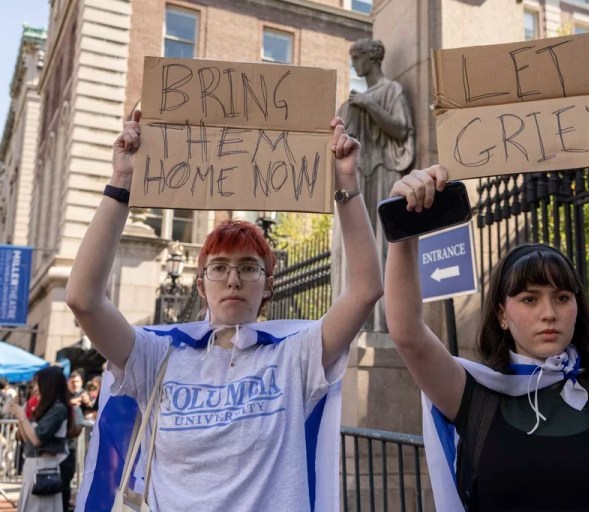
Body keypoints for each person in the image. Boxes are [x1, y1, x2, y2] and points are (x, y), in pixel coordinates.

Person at [383, 130, 589, 510]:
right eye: (529, 299)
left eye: (562, 297)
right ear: (501, 315)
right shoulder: (474, 398)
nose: (549, 312)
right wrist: (403, 227)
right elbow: (407, 331)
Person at [65, 110, 382, 511]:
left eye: (249, 268)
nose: (233, 280)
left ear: (268, 285)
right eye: (219, 268)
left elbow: (367, 289)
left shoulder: (294, 355)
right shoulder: (155, 355)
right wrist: (122, 182)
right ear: (201, 284)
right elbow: (83, 299)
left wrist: (346, 186)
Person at [336, 38, 415, 332]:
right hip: (361, 174)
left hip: (384, 172)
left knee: (383, 245)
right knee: (357, 246)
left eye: (357, 58)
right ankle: (359, 319)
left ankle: (385, 322)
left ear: (372, 58)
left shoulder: (391, 90)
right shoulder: (357, 98)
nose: (354, 64)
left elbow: (400, 128)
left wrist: (369, 104)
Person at [10, 366, 73, 512]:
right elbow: (27, 438)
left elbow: (37, 439)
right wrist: (20, 414)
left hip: (45, 467)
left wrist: (21, 415)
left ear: (48, 384)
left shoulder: (58, 409)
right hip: (34, 465)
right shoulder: (46, 407)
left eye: (38, 383)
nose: (35, 388)